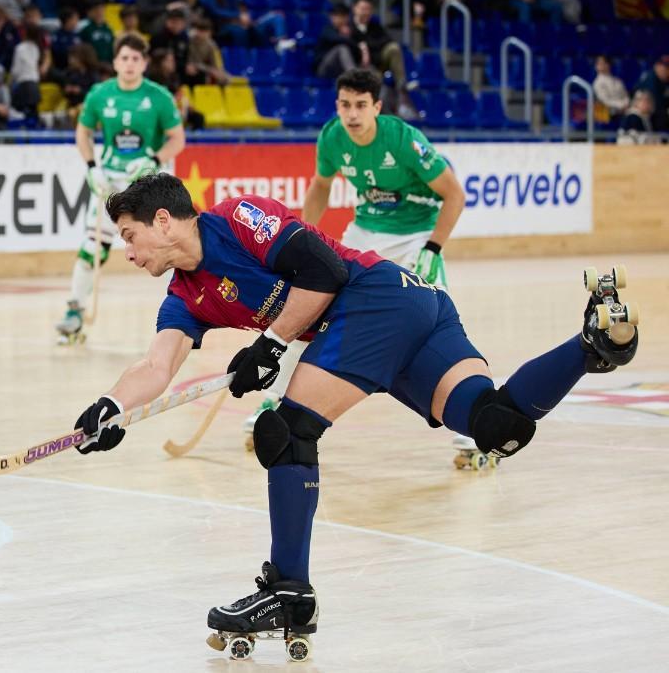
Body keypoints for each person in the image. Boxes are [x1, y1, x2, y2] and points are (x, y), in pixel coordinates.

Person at [72, 170, 638, 648]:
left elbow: (326, 272)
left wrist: (271, 343)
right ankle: (592, 343)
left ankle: (289, 592)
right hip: (412, 308)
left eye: (130, 236)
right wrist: (111, 406)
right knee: (496, 424)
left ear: (164, 221)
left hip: (375, 297)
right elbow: (157, 366)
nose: (128, 252)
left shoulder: (239, 218)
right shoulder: (184, 296)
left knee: (286, 432)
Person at [244, 68, 471, 458]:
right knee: (311, 309)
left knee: (439, 326)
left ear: (377, 107)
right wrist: (300, 243)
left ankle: (471, 422)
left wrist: (433, 248)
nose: (352, 114)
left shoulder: (403, 139)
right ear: (337, 105)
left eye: (361, 106)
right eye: (345, 105)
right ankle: (276, 399)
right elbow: (321, 185)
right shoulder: (332, 137)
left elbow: (454, 195)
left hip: (417, 237)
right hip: (364, 234)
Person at [55, 34, 186, 342]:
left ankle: (185, 313)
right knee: (92, 247)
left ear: (145, 63)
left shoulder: (159, 97)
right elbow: (83, 133)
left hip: (146, 181)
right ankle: (75, 312)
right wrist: (92, 167)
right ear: (115, 62)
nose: (129, 64)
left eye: (136, 59)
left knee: (167, 246)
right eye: (124, 58)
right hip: (111, 182)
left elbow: (177, 139)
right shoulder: (100, 94)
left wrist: (153, 160)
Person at [349, 0, 415, 119]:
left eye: (368, 9)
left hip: (377, 62)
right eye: (363, 9)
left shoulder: (375, 26)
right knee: (375, 79)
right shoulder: (349, 27)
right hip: (358, 66)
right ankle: (379, 112)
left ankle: (402, 88)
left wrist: (367, 47)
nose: (365, 12)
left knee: (393, 48)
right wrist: (362, 50)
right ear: (355, 9)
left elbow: (387, 41)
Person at [314, 3, 356, 80]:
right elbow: (336, 39)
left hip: (342, 68)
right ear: (332, 17)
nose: (341, 19)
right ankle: (354, 78)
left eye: (344, 16)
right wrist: (346, 37)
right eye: (338, 16)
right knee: (342, 48)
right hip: (324, 68)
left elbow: (356, 50)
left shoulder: (351, 31)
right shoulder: (327, 30)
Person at [634, 55, 669, 132]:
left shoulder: (664, 81)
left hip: (654, 114)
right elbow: (654, 105)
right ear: (657, 66)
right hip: (642, 115)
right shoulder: (651, 80)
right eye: (665, 68)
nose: (667, 71)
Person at [592, 55, 629, 120]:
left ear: (608, 65)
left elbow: (625, 95)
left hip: (624, 109)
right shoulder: (597, 83)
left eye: (604, 63)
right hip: (608, 112)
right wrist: (621, 105)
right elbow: (605, 101)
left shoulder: (617, 81)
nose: (601, 65)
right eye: (599, 63)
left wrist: (626, 104)